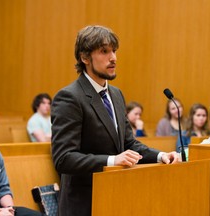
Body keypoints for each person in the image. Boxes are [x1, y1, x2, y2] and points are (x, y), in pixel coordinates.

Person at [51, 25, 180, 216]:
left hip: (116, 197)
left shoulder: (116, 94)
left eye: (114, 51)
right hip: (84, 203)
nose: (113, 58)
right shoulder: (70, 97)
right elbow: (64, 159)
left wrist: (161, 156)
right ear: (85, 58)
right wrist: (113, 160)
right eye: (104, 51)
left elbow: (128, 143)